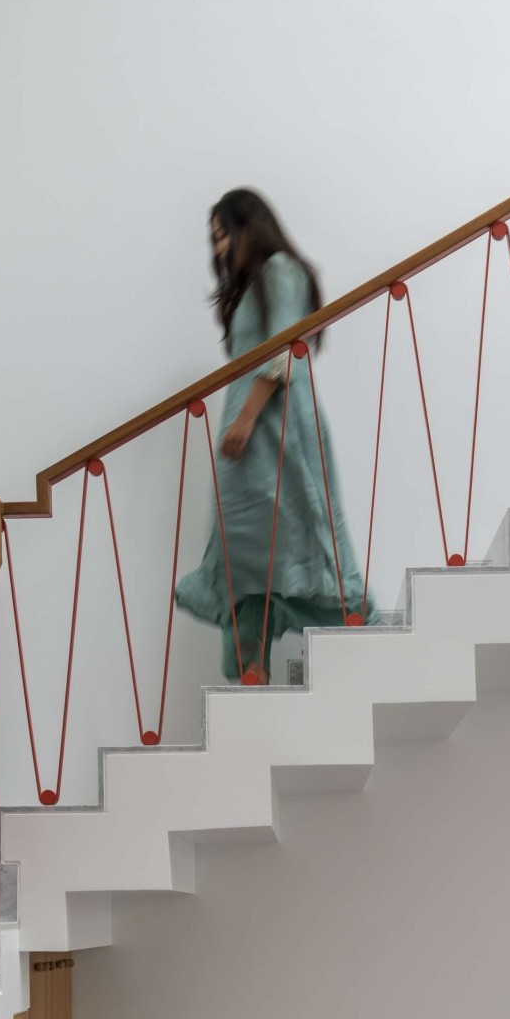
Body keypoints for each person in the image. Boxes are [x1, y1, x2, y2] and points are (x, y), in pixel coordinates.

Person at [176, 189, 373, 685]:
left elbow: (284, 350)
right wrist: (239, 421)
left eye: (224, 234)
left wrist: (245, 418)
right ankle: (252, 667)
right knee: (243, 543)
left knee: (299, 526)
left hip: (275, 424)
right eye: (214, 239)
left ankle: (358, 631)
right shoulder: (252, 285)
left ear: (251, 226)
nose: (219, 248)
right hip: (244, 430)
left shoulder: (281, 271)